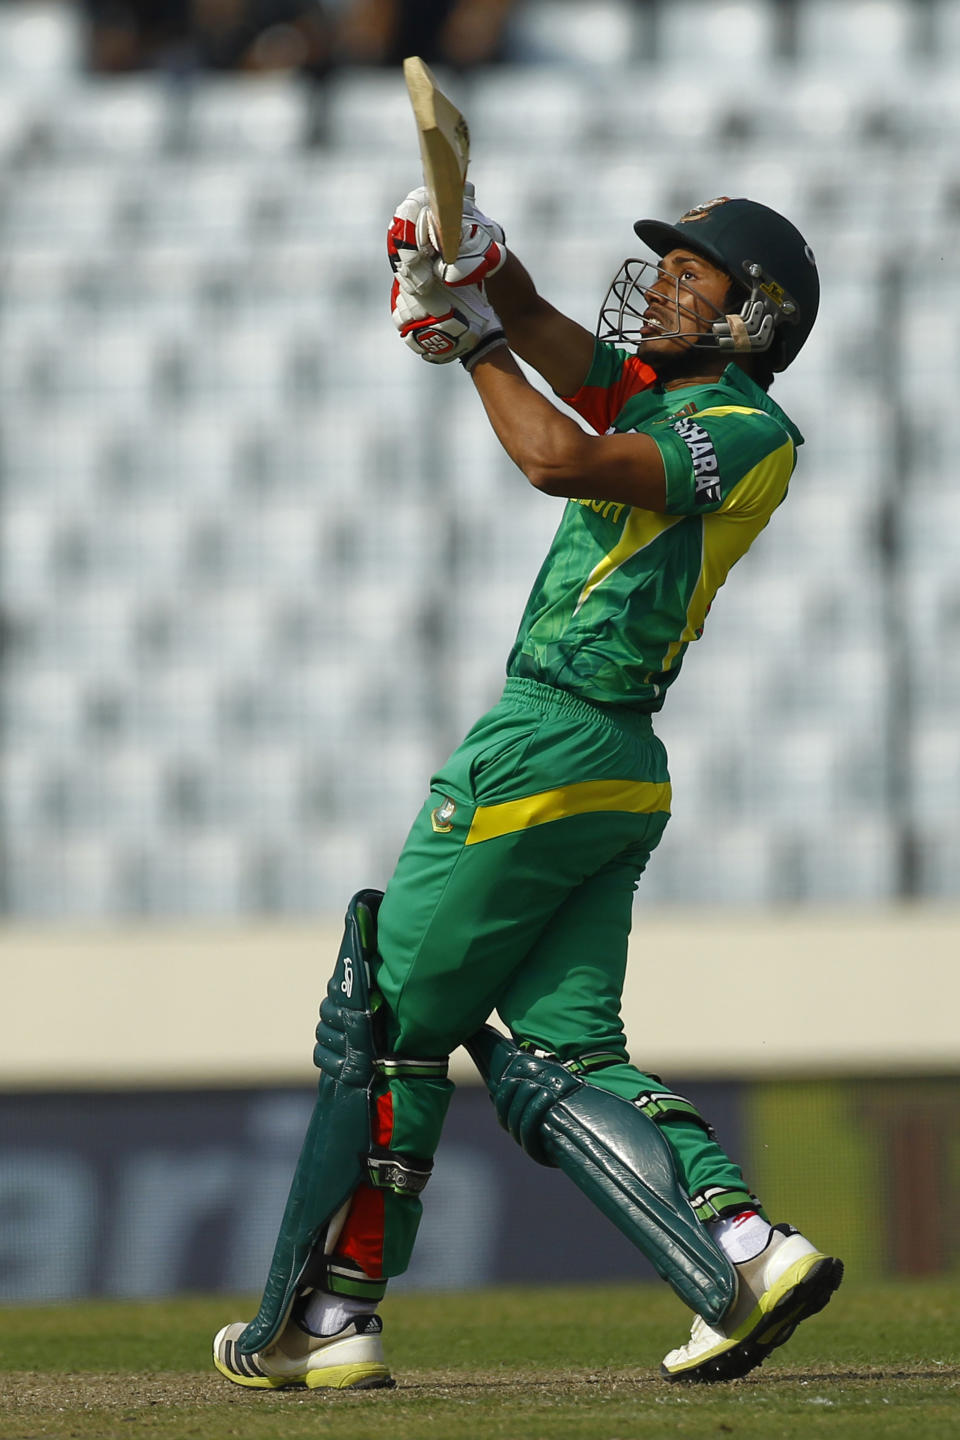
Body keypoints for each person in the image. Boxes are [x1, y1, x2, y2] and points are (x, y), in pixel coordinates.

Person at [212, 187, 843, 1392]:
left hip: (547, 741)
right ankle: (747, 1245)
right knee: (567, 1047)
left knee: (386, 1024)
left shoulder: (741, 429)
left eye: (695, 275)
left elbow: (557, 453)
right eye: (666, 263)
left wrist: (472, 341)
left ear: (757, 318)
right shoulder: (675, 400)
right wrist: (481, 269)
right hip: (614, 767)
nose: (662, 281)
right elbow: (567, 349)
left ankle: (333, 1315)